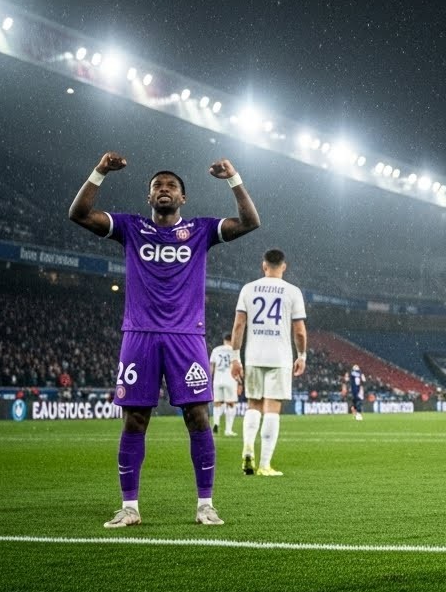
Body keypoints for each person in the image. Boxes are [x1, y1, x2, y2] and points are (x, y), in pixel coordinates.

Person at [68, 150, 260, 528]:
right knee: (135, 420)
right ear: (149, 197)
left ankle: (206, 505)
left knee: (198, 417)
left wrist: (234, 179)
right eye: (157, 186)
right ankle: (130, 508)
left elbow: (251, 222)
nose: (164, 189)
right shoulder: (130, 227)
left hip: (186, 336)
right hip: (138, 335)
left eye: (171, 185)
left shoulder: (202, 231)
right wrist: (100, 171)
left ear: (183, 198)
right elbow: (78, 214)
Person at [230, 249, 307, 477]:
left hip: (253, 355)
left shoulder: (248, 289)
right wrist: (301, 355)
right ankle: (264, 465)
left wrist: (236, 357)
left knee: (253, 405)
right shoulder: (292, 292)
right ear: (283, 266)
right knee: (272, 408)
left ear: (264, 265)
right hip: (280, 356)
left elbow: (238, 325)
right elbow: (300, 331)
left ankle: (247, 448)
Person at [209, 333, 239, 436]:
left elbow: (211, 366)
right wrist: (240, 382)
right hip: (230, 379)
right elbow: (238, 367)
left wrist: (210, 379)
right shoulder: (234, 350)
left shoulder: (216, 350)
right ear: (232, 340)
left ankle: (216, 423)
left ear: (224, 340)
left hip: (217, 380)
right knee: (231, 404)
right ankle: (228, 430)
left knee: (217, 403)